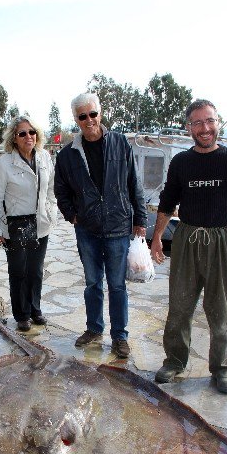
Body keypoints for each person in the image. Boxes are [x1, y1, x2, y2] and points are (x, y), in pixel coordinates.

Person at [150, 99, 227, 395]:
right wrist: (158, 236)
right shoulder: (181, 162)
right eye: (197, 123)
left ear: (217, 122)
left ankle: (222, 368)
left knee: (221, 308)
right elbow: (167, 201)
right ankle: (174, 361)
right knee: (180, 306)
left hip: (222, 240)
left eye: (209, 121)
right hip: (186, 238)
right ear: (189, 128)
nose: (205, 128)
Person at [54, 92, 147, 358]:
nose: (89, 120)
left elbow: (134, 184)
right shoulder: (68, 155)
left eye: (92, 114)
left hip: (119, 228)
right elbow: (60, 190)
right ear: (76, 119)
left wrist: (140, 220)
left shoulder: (120, 144)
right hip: (87, 229)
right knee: (93, 283)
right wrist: (71, 215)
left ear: (100, 114)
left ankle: (120, 336)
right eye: (82, 116)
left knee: (117, 285)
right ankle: (94, 328)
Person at [0, 115, 57, 331]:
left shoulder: (45, 157)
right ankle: (22, 314)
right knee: (19, 271)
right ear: (14, 139)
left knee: (36, 270)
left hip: (40, 223)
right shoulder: (4, 163)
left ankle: (35, 309)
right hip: (15, 225)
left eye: (32, 132)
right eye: (22, 133)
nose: (29, 136)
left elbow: (52, 189)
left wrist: (51, 211)